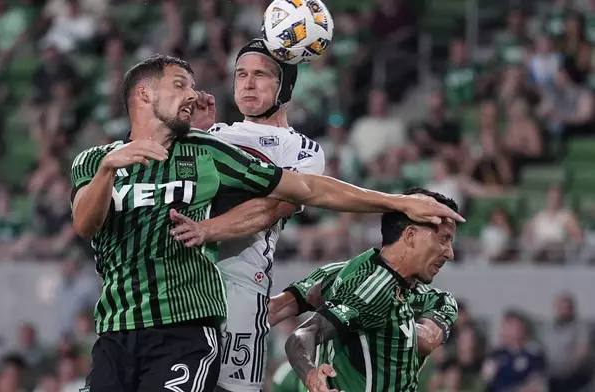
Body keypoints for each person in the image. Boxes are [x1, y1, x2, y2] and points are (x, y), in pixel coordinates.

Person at [70, 55, 464, 392]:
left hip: (185, 325)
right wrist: (107, 171)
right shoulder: (92, 161)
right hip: (116, 328)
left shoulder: (207, 152)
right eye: (179, 85)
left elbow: (306, 188)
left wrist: (396, 201)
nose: (192, 94)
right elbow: (86, 224)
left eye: (193, 86)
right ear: (144, 93)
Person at [172, 38, 325, 392]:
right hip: (184, 281)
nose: (248, 83)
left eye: (260, 75)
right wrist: (192, 134)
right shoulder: (214, 134)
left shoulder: (301, 149)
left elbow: (272, 209)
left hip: (242, 287)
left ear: (284, 85)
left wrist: (207, 230)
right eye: (240, 74)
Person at [283, 188, 459, 392]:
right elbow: (300, 334)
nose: (450, 253)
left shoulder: (436, 299)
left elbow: (426, 341)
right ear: (411, 235)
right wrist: (311, 374)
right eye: (443, 240)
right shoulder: (368, 288)